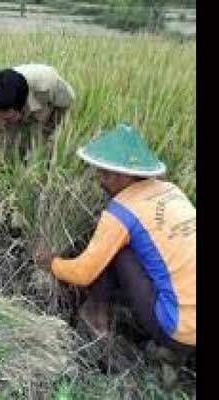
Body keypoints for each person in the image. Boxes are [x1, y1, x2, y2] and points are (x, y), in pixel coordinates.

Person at [34, 123, 196, 370]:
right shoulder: (171, 191)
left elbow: (83, 273)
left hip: (180, 330)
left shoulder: (122, 211)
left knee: (118, 251)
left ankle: (95, 317)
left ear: (126, 175)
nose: (101, 181)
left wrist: (51, 263)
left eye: (106, 175)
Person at [0, 64, 75, 232]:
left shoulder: (48, 84)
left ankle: (37, 216)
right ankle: (16, 217)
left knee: (44, 162)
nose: (2, 123)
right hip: (24, 120)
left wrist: (53, 131)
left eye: (7, 119)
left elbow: (68, 105)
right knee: (11, 156)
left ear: (23, 107)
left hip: (46, 116)